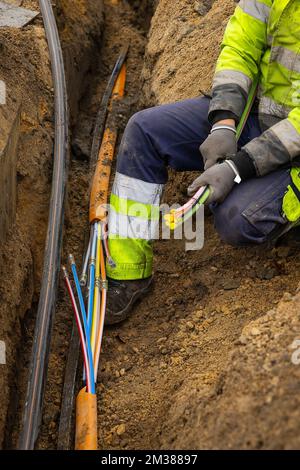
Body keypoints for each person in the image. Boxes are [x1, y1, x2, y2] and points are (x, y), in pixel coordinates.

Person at [105, 0, 300, 325]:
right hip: (258, 113)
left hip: (294, 153)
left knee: (236, 219)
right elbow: (240, 45)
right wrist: (224, 120)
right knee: (144, 130)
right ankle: (128, 272)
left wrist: (237, 167)